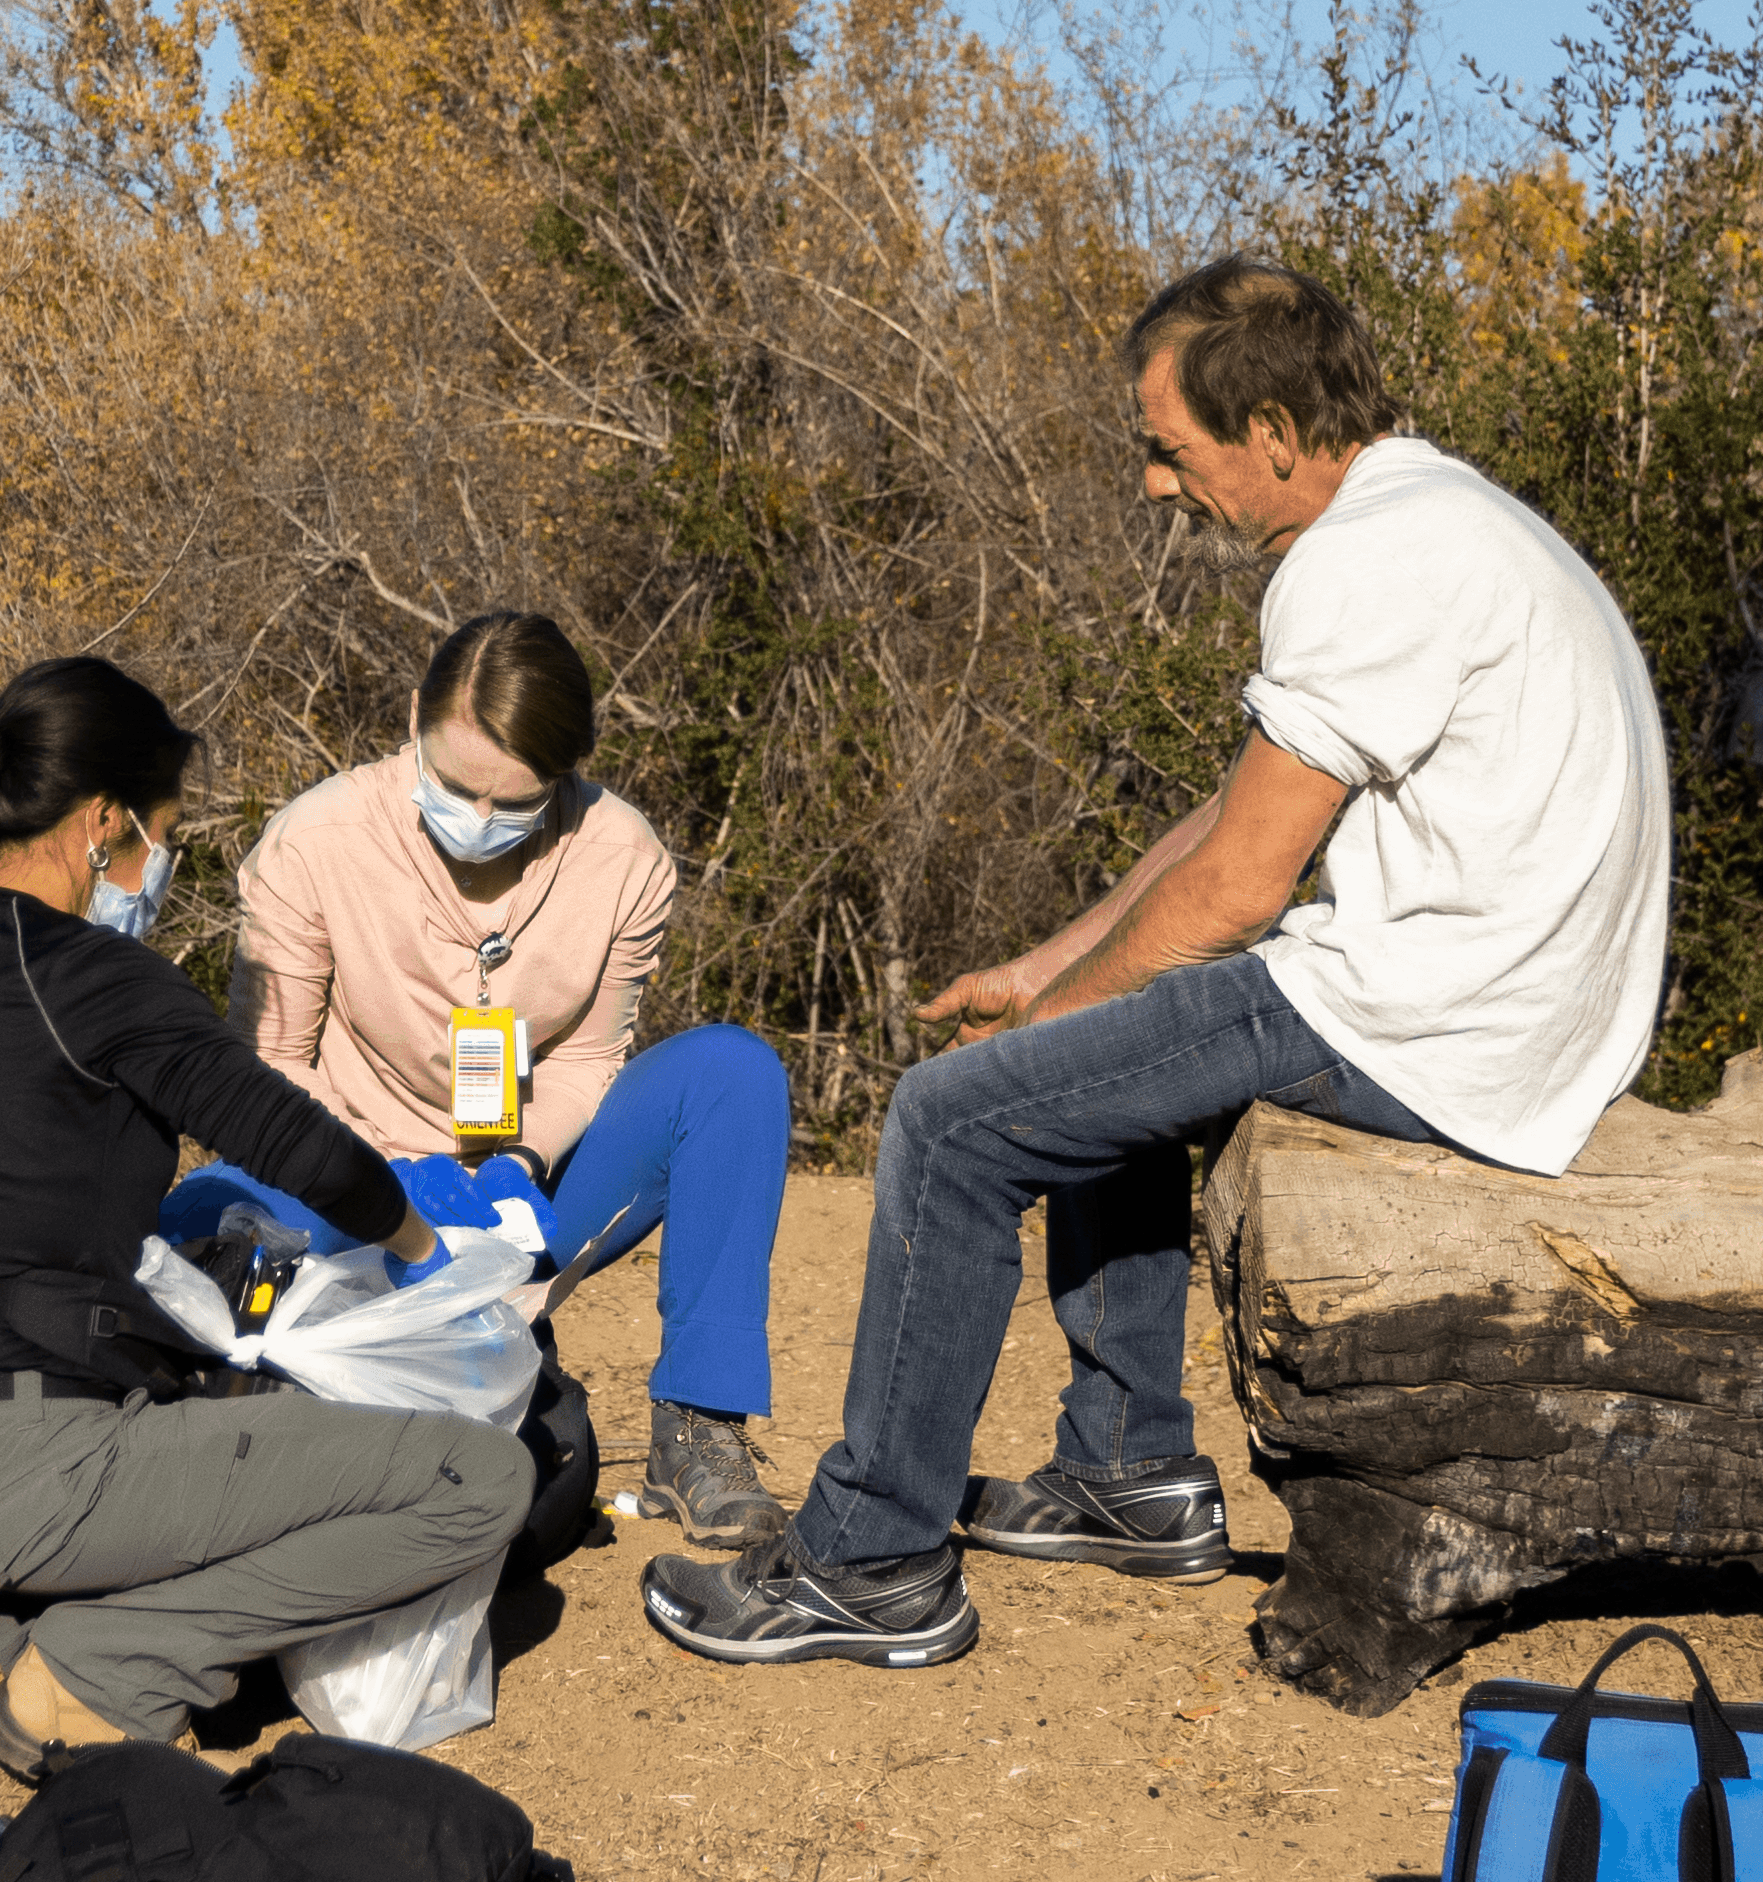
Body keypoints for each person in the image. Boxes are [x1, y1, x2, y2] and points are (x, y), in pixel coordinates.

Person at [638, 257, 1674, 1667]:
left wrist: (1028, 1040)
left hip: (1442, 1021)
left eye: (1166, 449)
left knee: (952, 1122)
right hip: (1500, 1005)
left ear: (1268, 436)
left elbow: (1237, 890)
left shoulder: (1368, 558)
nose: (1151, 484)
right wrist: (1046, 970)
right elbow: (1234, 819)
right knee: (1102, 1048)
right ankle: (1127, 1470)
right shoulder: (1436, 516)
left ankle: (870, 1559)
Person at [0, 655, 546, 1773]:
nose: (164, 865)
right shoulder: (101, 977)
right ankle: (103, 1669)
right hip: (38, 1454)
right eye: (168, 833)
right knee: (481, 1481)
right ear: (104, 822)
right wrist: (423, 1251)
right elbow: (297, 1141)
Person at [213, 612, 797, 1549]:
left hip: (521, 1189)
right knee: (224, 1231)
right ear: (414, 717)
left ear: (564, 774)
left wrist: (518, 1161)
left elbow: (588, 1056)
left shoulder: (624, 859)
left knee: (732, 1074)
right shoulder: (310, 843)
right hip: (346, 1186)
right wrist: (382, 1184)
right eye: (453, 787)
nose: (479, 821)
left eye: (514, 802)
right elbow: (267, 1064)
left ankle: (698, 1424)